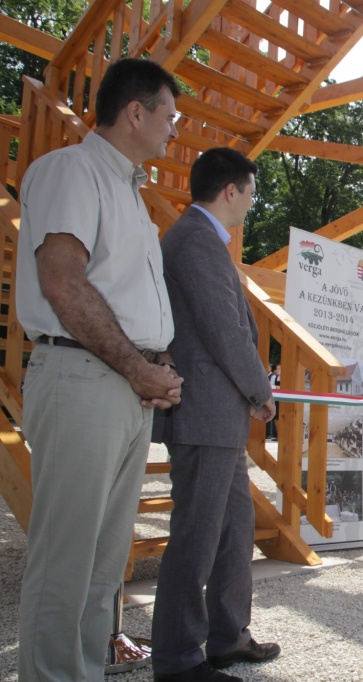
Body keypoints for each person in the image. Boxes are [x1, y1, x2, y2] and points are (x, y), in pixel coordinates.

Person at [15, 57, 184, 681]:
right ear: (135, 112)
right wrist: (138, 367)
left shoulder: (130, 193)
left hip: (120, 385)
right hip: (83, 378)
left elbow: (124, 300)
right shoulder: (71, 170)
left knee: (103, 565)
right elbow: (62, 282)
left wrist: (158, 363)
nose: (175, 128)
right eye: (170, 115)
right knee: (67, 560)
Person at [151, 147, 279, 682]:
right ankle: (178, 659)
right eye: (251, 192)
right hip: (204, 414)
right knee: (197, 538)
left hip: (216, 417)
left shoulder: (200, 239)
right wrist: (260, 391)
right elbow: (225, 331)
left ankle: (228, 637)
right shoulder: (196, 240)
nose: (251, 202)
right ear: (231, 190)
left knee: (233, 528)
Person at [266, 363, 281, 440]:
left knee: (280, 416)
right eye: (277, 369)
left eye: (280, 369)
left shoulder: (275, 377)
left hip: (283, 398)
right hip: (276, 398)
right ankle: (278, 434)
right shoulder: (277, 377)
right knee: (276, 416)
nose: (278, 370)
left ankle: (279, 434)